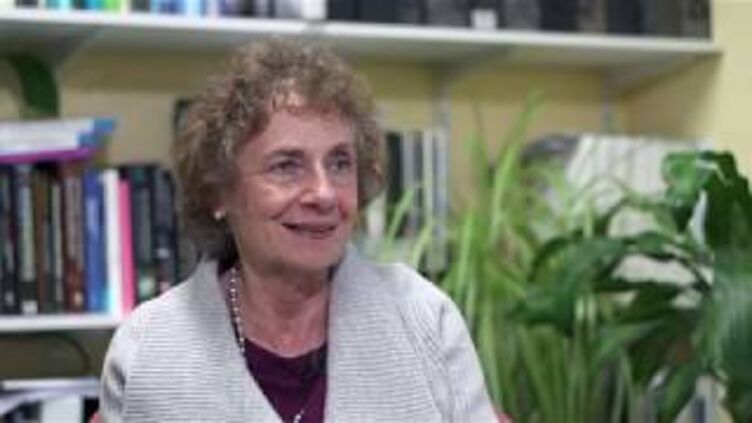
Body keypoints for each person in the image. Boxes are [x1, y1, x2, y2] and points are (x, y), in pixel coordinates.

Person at [99, 38, 497, 422]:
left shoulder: (424, 317)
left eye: (340, 163)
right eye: (287, 166)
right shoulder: (148, 347)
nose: (324, 193)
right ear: (218, 191)